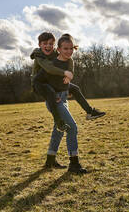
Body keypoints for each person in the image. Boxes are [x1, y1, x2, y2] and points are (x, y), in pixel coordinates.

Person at [30, 32, 105, 132]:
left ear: (54, 45)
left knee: (74, 88)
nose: (48, 46)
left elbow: (68, 59)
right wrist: (65, 72)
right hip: (39, 83)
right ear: (40, 45)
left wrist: (70, 75)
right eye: (45, 44)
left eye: (51, 44)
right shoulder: (38, 55)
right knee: (52, 94)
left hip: (52, 81)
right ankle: (59, 123)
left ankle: (90, 112)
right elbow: (49, 68)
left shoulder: (55, 53)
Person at [40, 34, 87, 173]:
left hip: (64, 99)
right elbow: (38, 82)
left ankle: (50, 160)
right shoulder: (52, 64)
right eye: (65, 48)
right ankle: (74, 164)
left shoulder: (69, 62)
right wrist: (52, 95)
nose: (68, 51)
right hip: (55, 101)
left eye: (71, 48)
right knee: (72, 127)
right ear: (58, 49)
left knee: (58, 130)